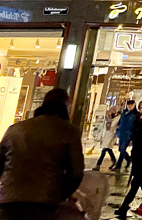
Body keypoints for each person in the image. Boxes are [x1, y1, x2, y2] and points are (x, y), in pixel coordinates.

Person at [0, 88, 84, 220]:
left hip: (9, 198)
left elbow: (1, 162)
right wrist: (63, 193)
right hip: (45, 200)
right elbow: (76, 172)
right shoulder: (69, 131)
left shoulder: (15, 129)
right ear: (66, 106)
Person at [114, 99, 138, 171]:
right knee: (120, 149)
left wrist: (132, 136)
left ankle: (118, 165)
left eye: (131, 105)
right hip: (121, 134)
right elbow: (120, 123)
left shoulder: (135, 115)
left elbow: (134, 126)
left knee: (122, 149)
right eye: (128, 105)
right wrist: (118, 130)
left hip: (128, 135)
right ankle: (128, 159)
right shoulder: (124, 114)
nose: (129, 106)